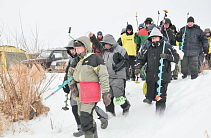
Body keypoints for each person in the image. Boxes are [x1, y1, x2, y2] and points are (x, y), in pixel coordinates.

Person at [63, 40, 109, 137]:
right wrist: (73, 88)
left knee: (85, 116)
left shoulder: (94, 58)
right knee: (83, 115)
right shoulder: (78, 60)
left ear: (86, 47)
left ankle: (89, 134)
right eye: (76, 49)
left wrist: (106, 92)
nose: (77, 50)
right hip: (80, 92)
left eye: (79, 48)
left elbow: (103, 75)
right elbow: (70, 74)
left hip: (91, 91)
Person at [135, 27, 179, 114]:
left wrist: (167, 56)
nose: (154, 40)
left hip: (163, 77)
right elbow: (141, 59)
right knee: (151, 96)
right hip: (151, 77)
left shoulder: (167, 47)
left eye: (156, 38)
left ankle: (159, 117)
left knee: (160, 98)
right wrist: (138, 68)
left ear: (160, 37)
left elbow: (176, 58)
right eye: (153, 38)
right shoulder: (148, 48)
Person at [89, 32, 131, 116]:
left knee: (118, 94)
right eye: (105, 44)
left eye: (108, 44)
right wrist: (93, 37)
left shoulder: (120, 50)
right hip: (107, 76)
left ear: (112, 43)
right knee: (107, 95)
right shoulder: (104, 50)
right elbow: (97, 44)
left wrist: (117, 67)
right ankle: (110, 113)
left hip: (118, 76)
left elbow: (126, 61)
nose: (106, 46)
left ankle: (126, 106)